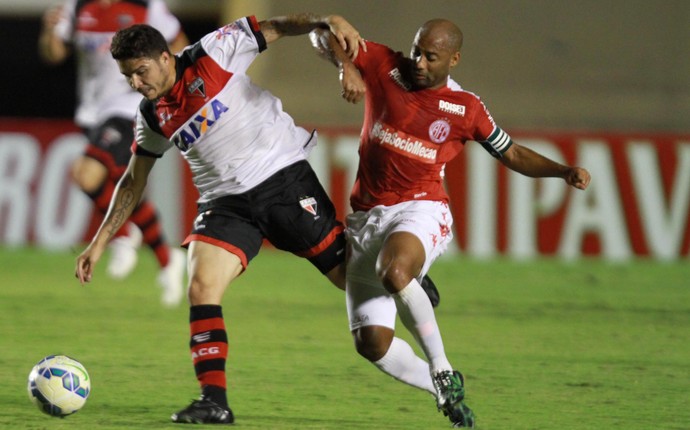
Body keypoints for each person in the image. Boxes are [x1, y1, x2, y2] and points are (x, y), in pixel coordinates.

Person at [73, 13, 371, 425]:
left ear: (165, 57)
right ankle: (214, 401)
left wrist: (329, 24)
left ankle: (404, 275)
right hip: (224, 204)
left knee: (350, 278)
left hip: (280, 179)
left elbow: (281, 26)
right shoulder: (153, 115)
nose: (136, 84)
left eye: (141, 72)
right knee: (201, 287)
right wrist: (99, 242)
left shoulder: (215, 51)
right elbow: (132, 181)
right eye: (128, 77)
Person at [311, 18, 591, 428]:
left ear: (454, 60)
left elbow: (510, 153)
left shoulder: (465, 109)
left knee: (395, 271)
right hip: (367, 218)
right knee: (371, 345)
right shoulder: (385, 65)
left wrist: (562, 171)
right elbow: (322, 32)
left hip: (422, 208)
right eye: (416, 51)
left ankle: (440, 365)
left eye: (431, 56)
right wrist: (345, 65)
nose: (419, 62)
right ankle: (442, 386)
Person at [39, 0, 188, 306]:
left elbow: (179, 46)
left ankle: (122, 236)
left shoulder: (145, 5)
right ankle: (166, 258)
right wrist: (49, 31)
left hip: (129, 106)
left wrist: (165, 92)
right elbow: (54, 54)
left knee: (86, 173)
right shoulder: (78, 6)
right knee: (124, 182)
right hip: (93, 111)